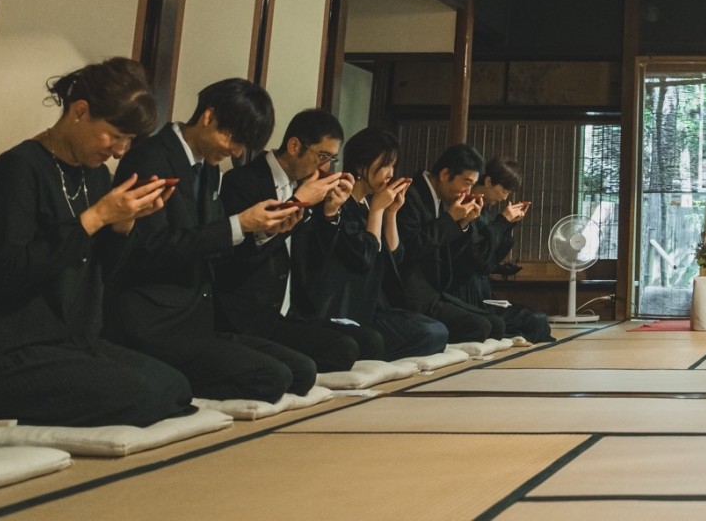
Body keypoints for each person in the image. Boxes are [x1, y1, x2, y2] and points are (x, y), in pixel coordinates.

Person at [0, 59, 191, 426]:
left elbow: (101, 272)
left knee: (175, 386)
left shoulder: (95, 177)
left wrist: (123, 223)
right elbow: (6, 273)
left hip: (68, 342)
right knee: (141, 394)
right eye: (115, 135)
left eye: (129, 141)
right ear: (80, 112)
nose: (120, 151)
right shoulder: (17, 169)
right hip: (2, 350)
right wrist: (94, 218)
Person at [106, 78, 319, 403]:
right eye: (234, 139)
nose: (236, 151)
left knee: (302, 371)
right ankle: (170, 386)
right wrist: (238, 223)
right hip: (156, 322)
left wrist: (267, 230)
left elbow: (214, 244)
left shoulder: (207, 168)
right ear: (208, 117)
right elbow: (151, 247)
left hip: (199, 319)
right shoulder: (150, 159)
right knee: (272, 377)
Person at [213, 108, 358, 373]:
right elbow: (234, 258)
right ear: (294, 146)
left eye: (332, 159)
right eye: (322, 156)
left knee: (364, 343)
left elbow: (316, 261)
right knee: (329, 355)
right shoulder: (243, 181)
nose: (325, 167)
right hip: (248, 315)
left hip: (292, 311)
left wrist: (330, 212)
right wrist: (295, 203)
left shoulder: (308, 185)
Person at [307, 128, 448, 361]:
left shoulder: (369, 203)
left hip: (374, 303)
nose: (390, 174)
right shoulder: (340, 202)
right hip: (346, 306)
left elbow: (395, 255)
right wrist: (377, 210)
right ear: (361, 166)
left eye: (393, 166)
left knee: (436, 330)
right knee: (422, 334)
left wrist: (391, 212)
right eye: (385, 165)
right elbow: (364, 257)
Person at [397, 143, 505, 341]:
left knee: (496, 325)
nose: (467, 191)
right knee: (480, 327)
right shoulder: (410, 195)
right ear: (445, 174)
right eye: (466, 183)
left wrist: (463, 222)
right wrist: (449, 219)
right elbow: (409, 249)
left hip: (437, 292)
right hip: (412, 295)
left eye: (472, 185)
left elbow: (451, 255)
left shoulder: (441, 199)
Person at [455, 156, 553, 343]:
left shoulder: (484, 209)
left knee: (538, 319)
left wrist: (508, 224)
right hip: (465, 293)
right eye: (503, 191)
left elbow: (491, 260)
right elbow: (480, 260)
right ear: (488, 181)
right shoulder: (465, 208)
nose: (504, 198)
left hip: (482, 292)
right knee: (534, 321)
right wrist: (502, 222)